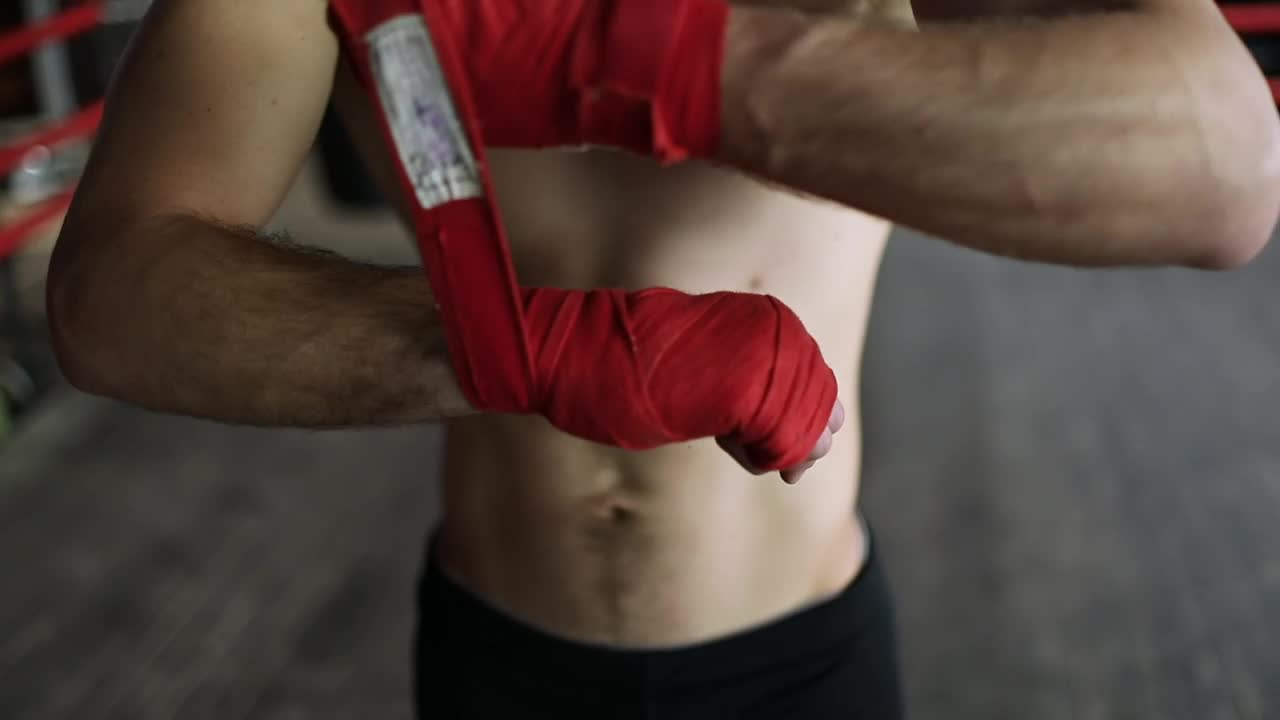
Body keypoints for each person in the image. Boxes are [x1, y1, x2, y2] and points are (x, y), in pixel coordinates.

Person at [44, 0, 1278, 717]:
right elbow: (112, 292)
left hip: (793, 658)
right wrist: (539, 351)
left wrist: (646, 62)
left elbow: (1219, 168)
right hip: (498, 651)